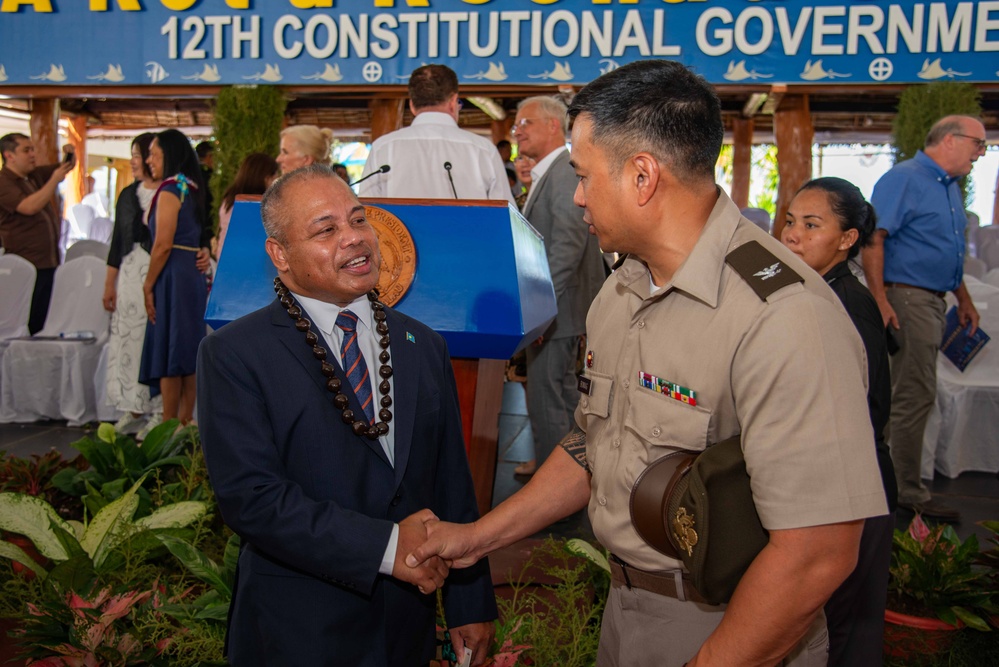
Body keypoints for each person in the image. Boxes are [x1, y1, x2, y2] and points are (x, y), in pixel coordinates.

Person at [408, 60, 888, 667]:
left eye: (584, 176)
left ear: (642, 176)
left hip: (730, 629)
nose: (577, 196)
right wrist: (479, 538)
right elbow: (593, 442)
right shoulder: (624, 286)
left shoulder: (787, 318)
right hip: (627, 611)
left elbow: (817, 553)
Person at [196, 164, 496, 665]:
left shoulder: (423, 345)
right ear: (280, 254)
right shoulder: (234, 355)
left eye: (358, 220)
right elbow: (252, 500)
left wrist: (469, 602)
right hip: (297, 626)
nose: (355, 239)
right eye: (327, 229)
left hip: (406, 624)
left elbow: (451, 483)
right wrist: (385, 547)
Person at [782, 177, 897, 667]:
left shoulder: (849, 303)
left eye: (811, 225)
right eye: (790, 221)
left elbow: (868, 410)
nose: (793, 235)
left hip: (854, 490)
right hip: (825, 483)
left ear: (847, 239)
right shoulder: (808, 288)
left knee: (842, 627)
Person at [863, 115, 985, 522]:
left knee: (915, 396)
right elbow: (874, 238)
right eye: (977, 143)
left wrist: (962, 296)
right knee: (913, 398)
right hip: (908, 300)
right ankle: (903, 494)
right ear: (949, 140)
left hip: (933, 299)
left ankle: (896, 488)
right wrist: (880, 299)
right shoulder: (906, 178)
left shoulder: (946, 186)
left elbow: (943, 251)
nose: (981, 153)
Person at [510, 95, 605, 476]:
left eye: (525, 122)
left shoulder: (564, 172)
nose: (517, 130)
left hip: (557, 311)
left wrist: (540, 312)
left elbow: (566, 247)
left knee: (547, 400)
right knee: (558, 396)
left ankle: (552, 496)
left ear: (553, 125)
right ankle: (564, 477)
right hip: (558, 309)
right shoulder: (548, 172)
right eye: (516, 124)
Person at [358, 64, 514, 203]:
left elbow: (368, 212)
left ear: (412, 105)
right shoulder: (484, 150)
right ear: (453, 102)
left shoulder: (383, 148)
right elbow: (507, 218)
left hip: (398, 237)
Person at [139, 129, 209, 427]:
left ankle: (169, 425)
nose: (148, 159)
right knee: (187, 347)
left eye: (154, 153)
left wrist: (148, 283)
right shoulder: (191, 187)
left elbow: (162, 243)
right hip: (189, 273)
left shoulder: (170, 190)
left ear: (169, 154)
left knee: (170, 348)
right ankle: (186, 421)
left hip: (172, 274)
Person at [103, 133, 162, 436]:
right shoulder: (128, 194)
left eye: (140, 155)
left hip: (159, 274)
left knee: (152, 341)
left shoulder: (173, 192)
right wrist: (109, 284)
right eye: (134, 156)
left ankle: (159, 410)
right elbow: (116, 242)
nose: (136, 162)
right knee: (127, 341)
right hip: (128, 276)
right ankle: (132, 406)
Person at [0, 133, 75, 333]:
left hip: (47, 262)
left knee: (45, 320)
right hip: (25, 265)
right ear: (9, 155)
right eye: (26, 150)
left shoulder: (33, 175)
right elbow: (29, 207)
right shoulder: (4, 182)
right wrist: (53, 182)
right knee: (27, 322)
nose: (33, 154)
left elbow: (63, 168)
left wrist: (70, 154)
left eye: (32, 149)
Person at [216, 152, 279, 255]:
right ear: (267, 178)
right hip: (246, 264)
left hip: (224, 261)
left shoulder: (230, 199)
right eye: (275, 177)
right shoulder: (257, 205)